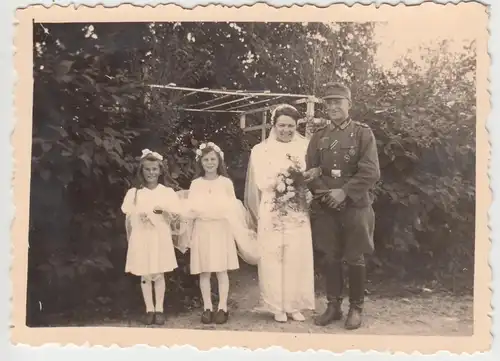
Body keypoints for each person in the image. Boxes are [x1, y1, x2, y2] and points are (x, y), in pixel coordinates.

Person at [305, 82, 381, 330]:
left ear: (349, 104)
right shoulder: (318, 137)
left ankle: (356, 308)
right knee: (330, 257)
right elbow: (311, 171)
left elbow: (371, 171)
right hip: (327, 207)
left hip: (355, 205)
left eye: (338, 101)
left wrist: (344, 192)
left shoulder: (362, 133)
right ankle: (333, 306)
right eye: (329, 102)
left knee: (355, 256)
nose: (333, 106)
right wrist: (324, 194)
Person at [244, 104, 318, 323]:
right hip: (272, 206)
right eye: (282, 125)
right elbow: (261, 181)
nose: (286, 130)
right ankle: (277, 305)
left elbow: (311, 175)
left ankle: (294, 305)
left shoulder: (306, 146)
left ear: (297, 126)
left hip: (296, 208)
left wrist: (301, 188)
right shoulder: (260, 150)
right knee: (274, 255)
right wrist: (281, 181)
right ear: (274, 125)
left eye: (291, 126)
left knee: (296, 254)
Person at [121, 149, 184, 326]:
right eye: (147, 170)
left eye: (154, 169)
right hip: (142, 236)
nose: (151, 173)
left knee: (158, 272)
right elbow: (128, 213)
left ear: (160, 171)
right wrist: (138, 215)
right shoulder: (135, 193)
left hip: (159, 236)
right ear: (142, 171)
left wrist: (162, 213)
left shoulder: (166, 192)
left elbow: (174, 216)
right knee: (145, 273)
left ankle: (159, 309)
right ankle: (149, 308)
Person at [185, 142, 240, 325]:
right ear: (200, 162)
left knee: (221, 270)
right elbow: (190, 209)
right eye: (206, 159)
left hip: (221, 228)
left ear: (219, 161)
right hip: (202, 228)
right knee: (205, 271)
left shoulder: (225, 183)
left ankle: (222, 307)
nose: (209, 163)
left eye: (213, 159)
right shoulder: (196, 184)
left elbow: (233, 207)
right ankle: (207, 307)